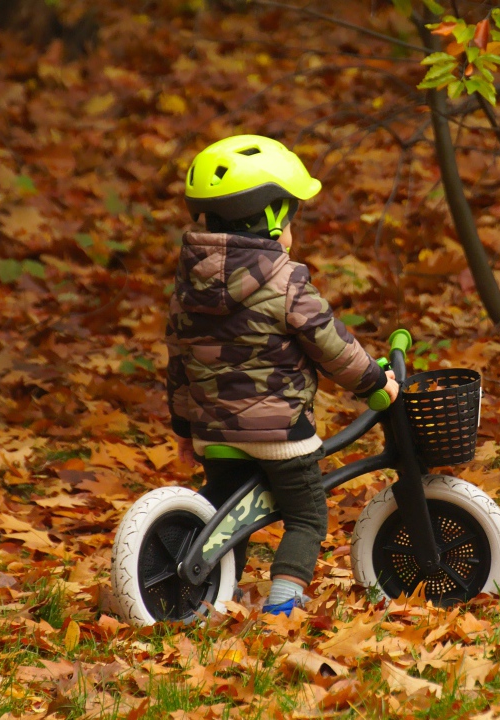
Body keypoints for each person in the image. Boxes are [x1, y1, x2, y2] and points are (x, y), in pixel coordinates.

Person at [166, 135, 399, 615]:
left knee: (225, 518)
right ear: (272, 220)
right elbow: (331, 344)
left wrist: (185, 428)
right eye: (290, 217)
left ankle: (212, 596)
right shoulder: (286, 281)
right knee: (306, 517)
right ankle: (284, 601)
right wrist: (374, 383)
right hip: (280, 433)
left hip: (214, 433)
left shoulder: (189, 286)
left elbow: (179, 362)